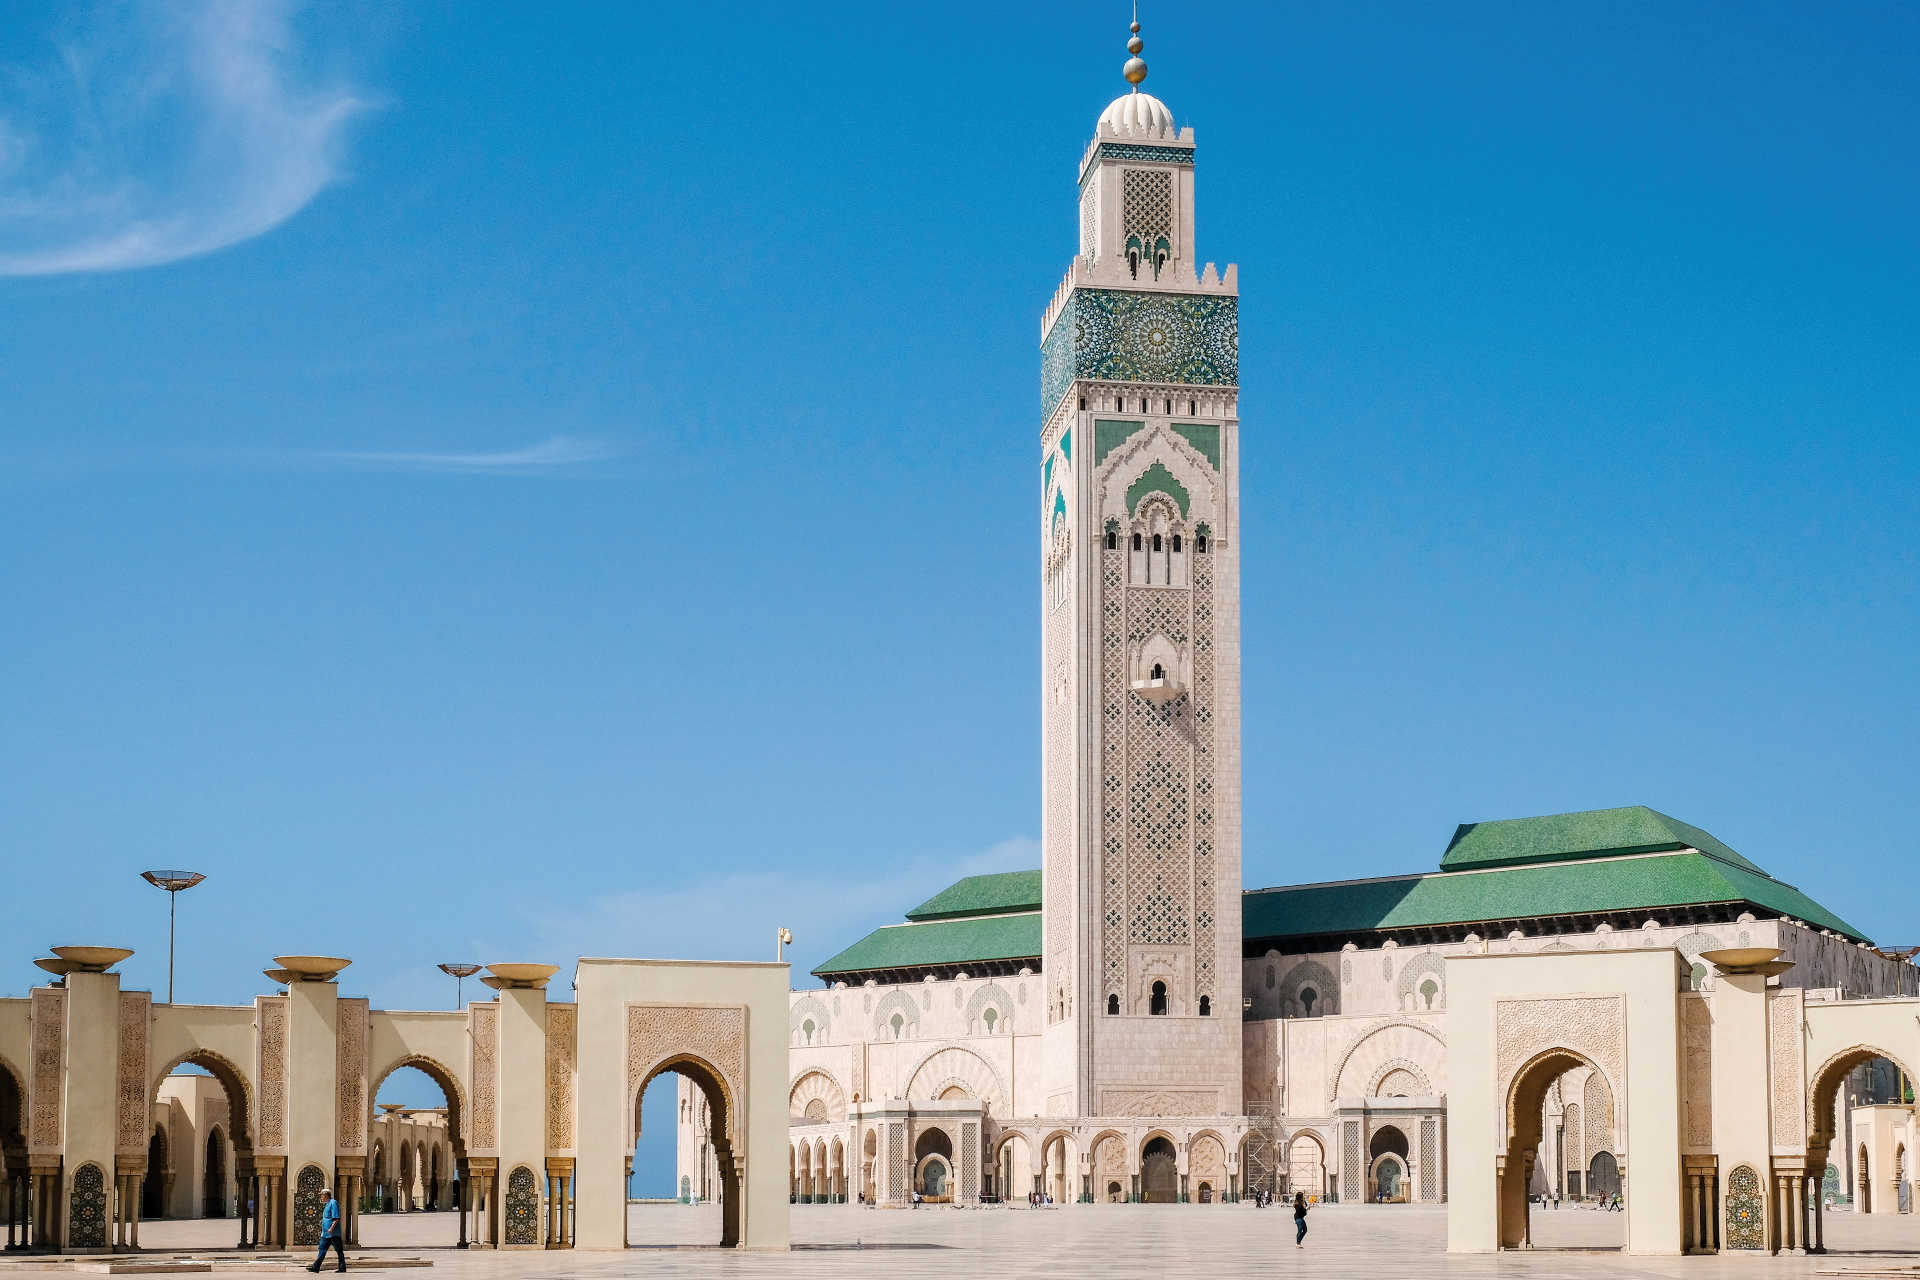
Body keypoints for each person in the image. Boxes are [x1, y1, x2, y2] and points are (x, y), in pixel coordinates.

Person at [307, 1187, 345, 1273]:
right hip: (325, 1234)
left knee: (339, 1251)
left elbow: (336, 1218)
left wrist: (331, 1228)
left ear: (326, 1195)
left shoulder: (333, 1203)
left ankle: (342, 1267)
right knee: (322, 1249)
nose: (321, 1197)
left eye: (321, 1195)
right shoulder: (327, 1204)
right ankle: (316, 1267)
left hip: (333, 1233)